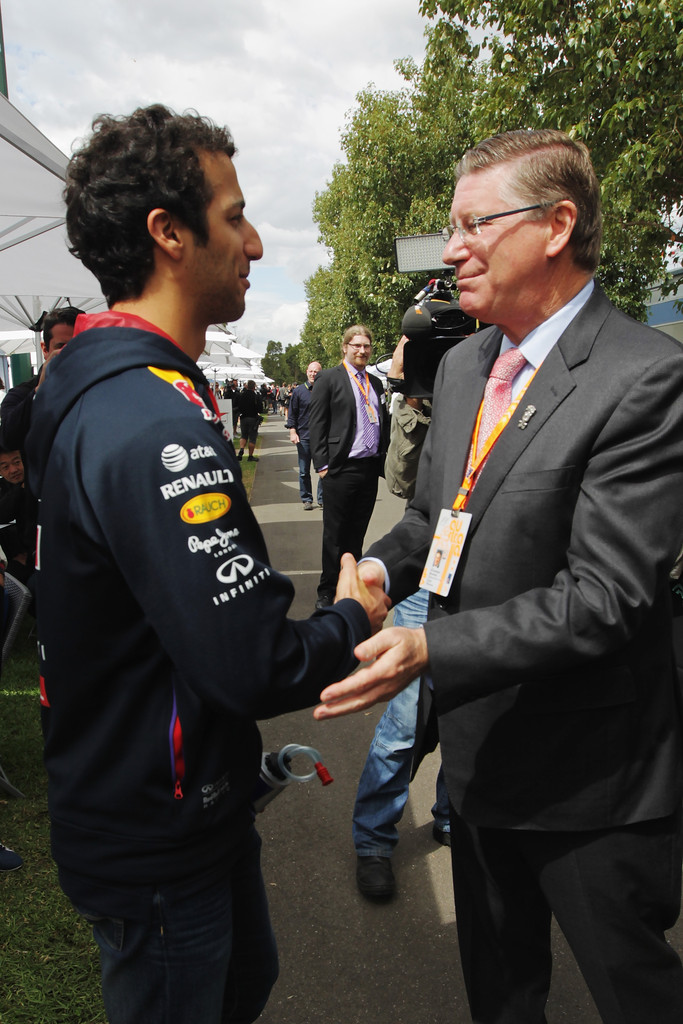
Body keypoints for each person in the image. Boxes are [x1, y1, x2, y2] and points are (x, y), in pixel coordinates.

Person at [24, 103, 389, 1024]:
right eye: (235, 215)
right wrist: (350, 618)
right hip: (155, 830)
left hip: (174, 806)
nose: (257, 242)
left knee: (245, 982)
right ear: (169, 234)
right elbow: (251, 660)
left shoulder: (113, 389)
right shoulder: (146, 421)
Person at [314, 128, 683, 1024]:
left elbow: (604, 597)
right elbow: (432, 520)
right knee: (499, 991)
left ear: (556, 225)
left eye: (474, 225)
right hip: (478, 762)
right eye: (450, 227)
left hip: (591, 779)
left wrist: (428, 644)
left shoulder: (646, 378)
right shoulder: (468, 360)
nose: (449, 251)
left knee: (634, 993)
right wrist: (374, 573)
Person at [353, 337, 449, 900]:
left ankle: (451, 814)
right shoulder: (444, 391)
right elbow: (405, 485)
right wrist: (413, 398)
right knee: (401, 729)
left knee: (473, 723)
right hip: (429, 581)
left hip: (498, 593)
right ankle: (372, 841)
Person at [309, 325, 389, 609]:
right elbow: (316, 424)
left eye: (366, 346)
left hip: (368, 469)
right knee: (334, 535)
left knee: (357, 534)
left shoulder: (375, 384)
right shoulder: (329, 379)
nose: (362, 350)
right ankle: (327, 590)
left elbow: (383, 422)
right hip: (339, 469)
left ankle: (351, 585)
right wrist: (322, 466)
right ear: (344, 347)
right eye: (356, 345)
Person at [0, 306, 82, 451]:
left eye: (78, 345)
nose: (71, 353)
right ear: (45, 349)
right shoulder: (21, 395)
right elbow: (9, 439)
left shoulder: (102, 388)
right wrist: (40, 392)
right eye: (62, 346)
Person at [286, 360, 323, 511]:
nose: (313, 374)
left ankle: (322, 498)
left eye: (316, 371)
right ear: (307, 372)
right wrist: (292, 431)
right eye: (311, 371)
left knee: (323, 469)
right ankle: (307, 499)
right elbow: (292, 413)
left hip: (322, 437)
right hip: (304, 437)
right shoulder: (299, 391)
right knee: (303, 471)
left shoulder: (325, 389)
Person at [236, 378, 263, 461]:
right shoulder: (256, 396)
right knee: (252, 437)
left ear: (247, 386)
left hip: (243, 418)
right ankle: (250, 456)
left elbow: (238, 407)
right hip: (253, 418)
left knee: (243, 435)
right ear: (254, 387)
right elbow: (260, 409)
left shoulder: (241, 395)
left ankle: (241, 449)